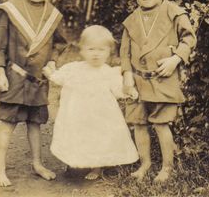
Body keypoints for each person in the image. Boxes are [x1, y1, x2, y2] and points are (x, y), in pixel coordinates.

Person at [120, 0, 197, 182]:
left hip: (163, 80)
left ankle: (167, 167)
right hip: (138, 81)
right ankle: (145, 164)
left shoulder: (174, 13)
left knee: (161, 124)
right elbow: (124, 52)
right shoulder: (131, 20)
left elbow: (189, 39)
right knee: (139, 124)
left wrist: (175, 59)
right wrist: (126, 75)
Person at [0, 0, 64, 186]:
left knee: (35, 124)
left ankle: (37, 163)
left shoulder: (53, 15)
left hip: (38, 82)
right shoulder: (9, 10)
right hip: (14, 78)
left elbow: (59, 44)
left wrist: (52, 61)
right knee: (6, 123)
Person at [43, 25, 139, 180]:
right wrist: (51, 74)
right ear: (82, 50)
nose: (96, 54)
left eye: (101, 50)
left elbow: (118, 89)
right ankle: (74, 162)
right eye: (91, 49)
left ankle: (97, 167)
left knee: (97, 139)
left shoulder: (108, 72)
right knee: (76, 137)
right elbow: (60, 78)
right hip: (77, 115)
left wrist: (129, 91)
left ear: (109, 52)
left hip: (100, 116)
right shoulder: (74, 69)